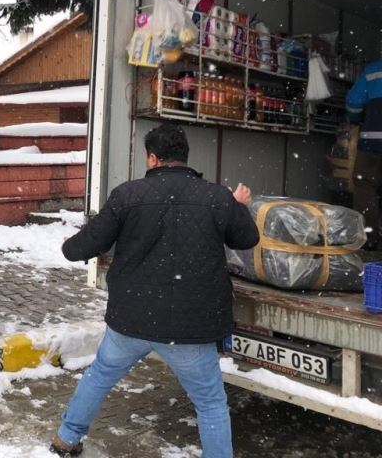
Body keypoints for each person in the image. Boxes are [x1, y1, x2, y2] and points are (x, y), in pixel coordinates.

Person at [49, 123, 259, 458]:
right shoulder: (216, 197)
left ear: (152, 158)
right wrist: (236, 206)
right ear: (185, 158)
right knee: (210, 403)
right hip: (189, 328)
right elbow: (246, 239)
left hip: (131, 320)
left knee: (100, 376)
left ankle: (65, 439)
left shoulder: (128, 195)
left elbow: (81, 247)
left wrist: (70, 245)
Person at [347, 59, 382, 249]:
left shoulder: (372, 71)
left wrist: (357, 119)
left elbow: (353, 102)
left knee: (365, 185)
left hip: (372, 141)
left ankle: (369, 237)